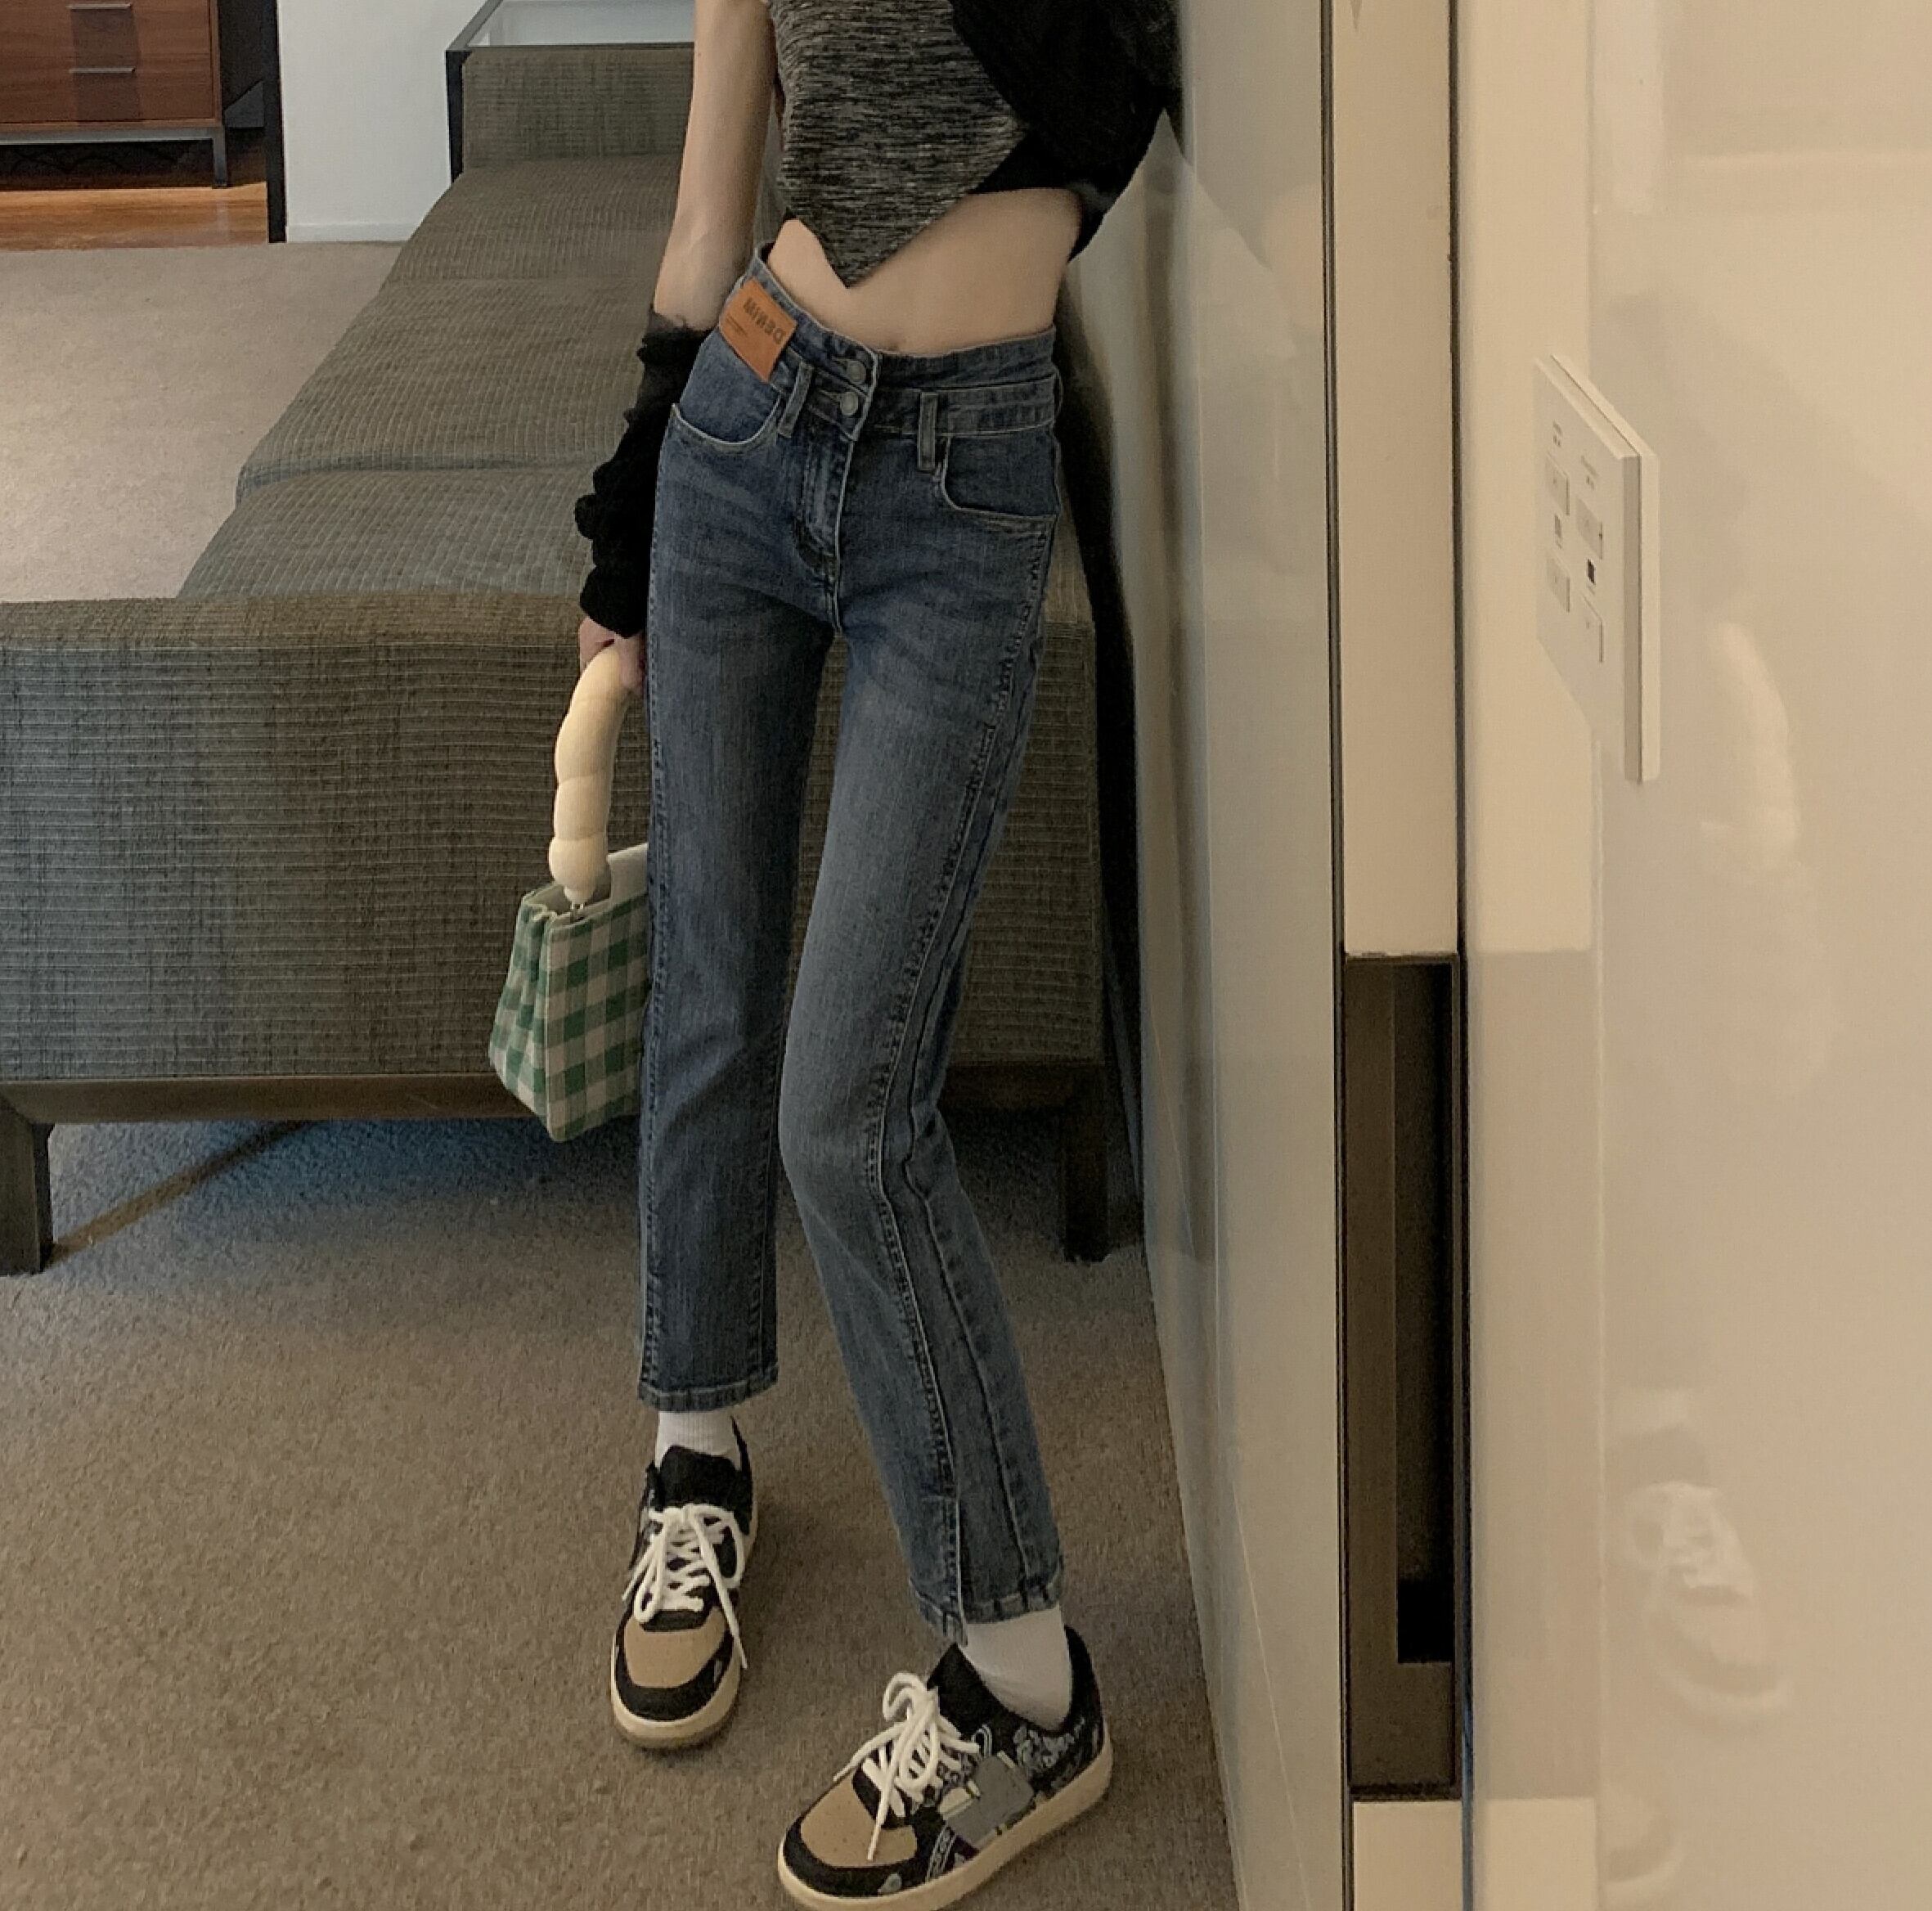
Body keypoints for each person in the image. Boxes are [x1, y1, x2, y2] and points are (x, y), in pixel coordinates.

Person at [571, 2, 1178, 1902]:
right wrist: (630, 504)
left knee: (847, 1105)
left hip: (962, 470)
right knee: (708, 985)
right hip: (747, 417)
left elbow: (1105, 99)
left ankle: (1028, 1684)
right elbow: (712, 203)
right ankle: (695, 1455)